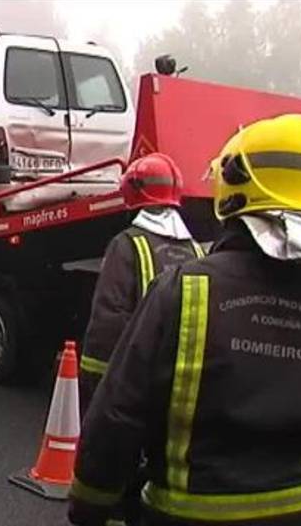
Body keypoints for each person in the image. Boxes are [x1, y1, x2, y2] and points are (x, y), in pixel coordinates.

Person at [69, 113, 301, 526]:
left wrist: (90, 505)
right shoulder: (191, 260)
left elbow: (118, 415)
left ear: (232, 189)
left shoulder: (181, 288)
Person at [80, 152, 205, 414]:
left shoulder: (125, 245)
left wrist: (95, 386)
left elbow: (108, 321)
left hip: (136, 380)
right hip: (180, 384)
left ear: (132, 192)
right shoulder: (197, 251)